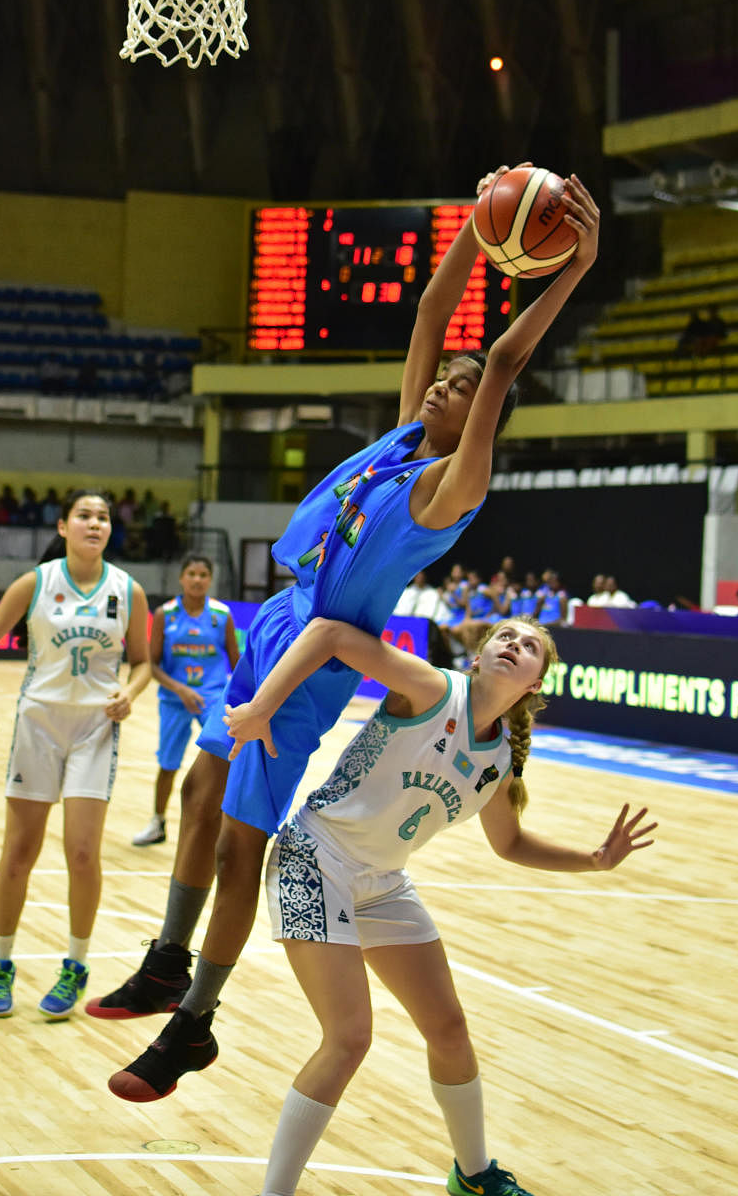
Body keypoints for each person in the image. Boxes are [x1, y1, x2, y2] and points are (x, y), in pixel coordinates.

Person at [95, 167, 601, 1102]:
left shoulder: (454, 485)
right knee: (201, 796)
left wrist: (576, 266)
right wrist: (474, 222)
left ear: (474, 420)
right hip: (281, 617)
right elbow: (429, 313)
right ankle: (168, 958)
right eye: (439, 383)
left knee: (244, 840)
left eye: (454, 389)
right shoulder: (407, 437)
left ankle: (195, 1021)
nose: (442, 384)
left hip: (321, 653)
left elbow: (496, 363)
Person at [216, 614, 656, 1196]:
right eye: (505, 636)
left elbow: (511, 844)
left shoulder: (498, 759)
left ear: (533, 684)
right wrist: (262, 707)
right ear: (479, 655)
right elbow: (328, 634)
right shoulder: (430, 688)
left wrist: (593, 860)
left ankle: (473, 1176)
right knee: (349, 1038)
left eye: (529, 647)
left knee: (449, 1028)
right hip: (313, 856)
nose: (514, 645)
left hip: (381, 881)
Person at [0, 490, 151, 1019]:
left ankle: (75, 965)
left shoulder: (127, 590)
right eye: (85, 516)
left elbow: (141, 663)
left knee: (84, 853)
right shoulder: (37, 582)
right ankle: (0, 965)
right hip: (38, 726)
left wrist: (129, 693)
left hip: (95, 728)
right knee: (18, 853)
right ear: (64, 526)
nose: (95, 524)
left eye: (104, 517)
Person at [132, 555, 240, 847]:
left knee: (224, 760)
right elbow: (151, 665)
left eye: (203, 574)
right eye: (191, 573)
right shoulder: (165, 614)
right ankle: (157, 822)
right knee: (168, 764)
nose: (197, 579)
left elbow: (237, 661)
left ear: (210, 579)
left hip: (213, 698)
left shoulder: (222, 614)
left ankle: (223, 825)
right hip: (174, 699)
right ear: (182, 578)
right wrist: (180, 689)